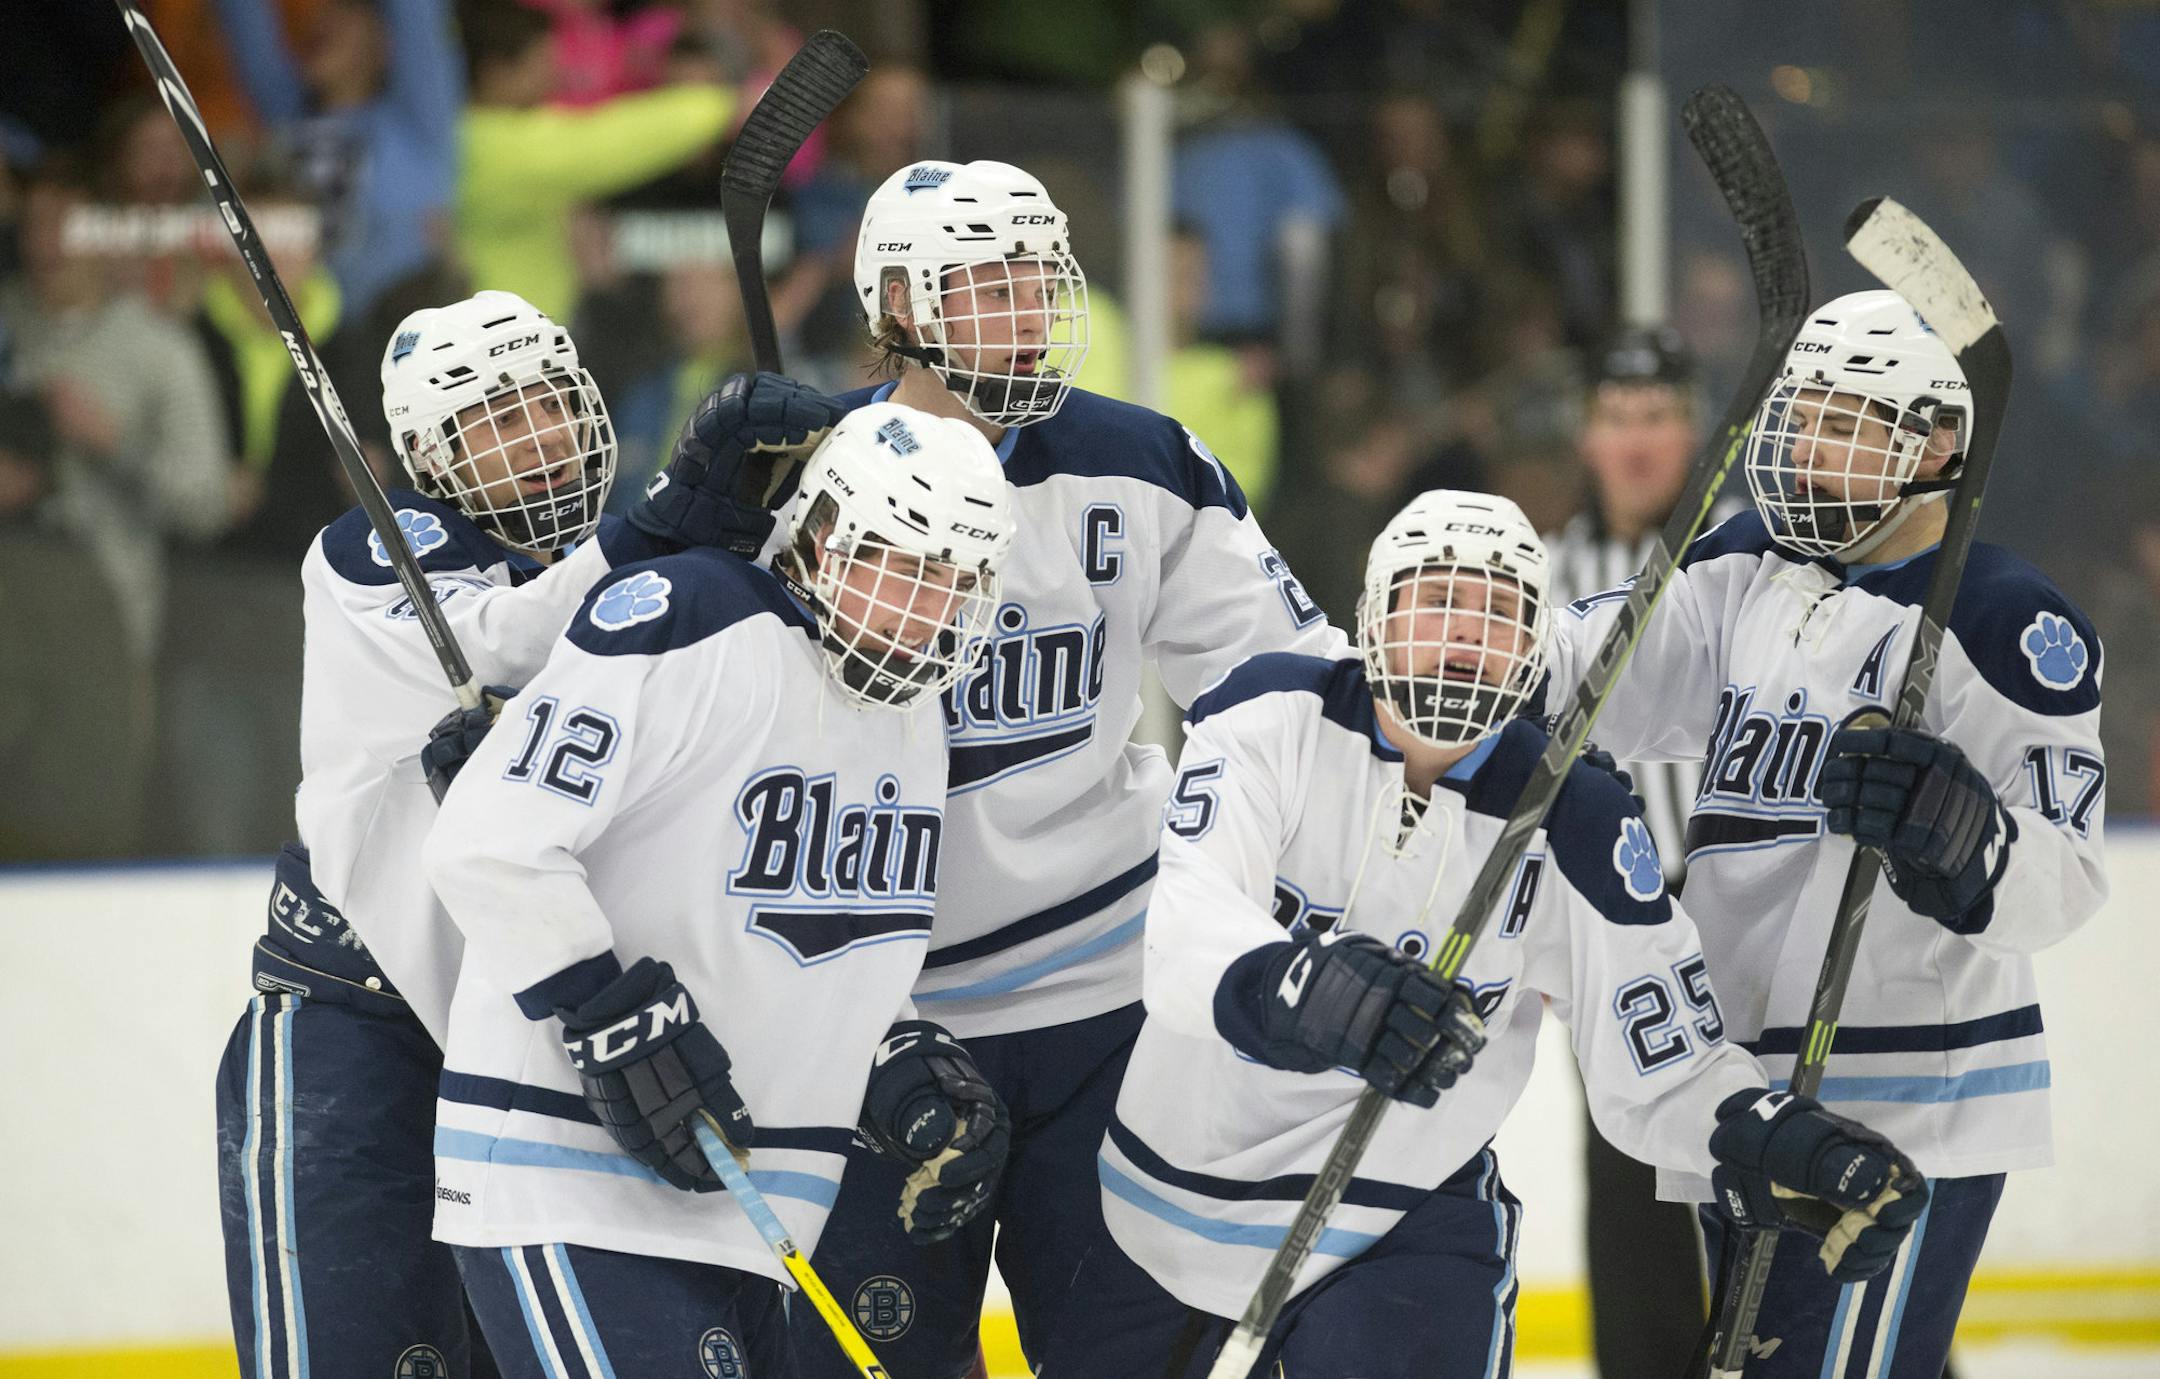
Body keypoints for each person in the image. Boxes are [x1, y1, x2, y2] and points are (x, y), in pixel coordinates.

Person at [653, 158, 1344, 1378]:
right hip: (873, 1020)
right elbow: (694, 744)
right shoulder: (797, 492)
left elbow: (1290, 688)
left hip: (1110, 1008)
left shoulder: (1142, 462)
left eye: (1040, 277)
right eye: (988, 283)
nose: (1027, 310)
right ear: (901, 308)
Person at [1034, 489, 1928, 1377]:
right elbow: (1188, 928)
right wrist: (1311, 991)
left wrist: (1770, 1137)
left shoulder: (1574, 817)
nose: (1466, 632)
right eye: (1437, 599)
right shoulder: (1271, 712)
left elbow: (1663, 1068)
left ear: (1536, 649)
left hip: (1396, 1230)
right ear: (1374, 615)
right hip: (1156, 1213)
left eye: (1501, 610)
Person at [211, 289, 838, 1377]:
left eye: (550, 402)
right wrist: (667, 516)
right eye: (497, 422)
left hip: (533, 1037)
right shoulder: (378, 550)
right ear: (423, 455)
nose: (541, 438)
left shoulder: (643, 574)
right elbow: (500, 639)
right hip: (354, 1030)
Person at [1542, 289, 2109, 1375]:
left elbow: (2067, 877)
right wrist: (1484, 647)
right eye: (1801, 418)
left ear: (1937, 446)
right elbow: (1604, 666)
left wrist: (1962, 835)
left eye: (1847, 425)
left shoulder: (2001, 619)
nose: (1809, 449)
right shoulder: (1747, 568)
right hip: (1745, 1090)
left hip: (1908, 1103)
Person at [421, 401, 1019, 1371]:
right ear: (820, 536)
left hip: (760, 1218)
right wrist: (607, 1014)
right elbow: (488, 839)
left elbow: (823, 931)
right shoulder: (692, 613)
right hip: (572, 1180)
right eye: (903, 561)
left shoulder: (915, 719)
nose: (930, 603)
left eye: (957, 575)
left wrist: (900, 1054)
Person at [1542, 325, 1735, 1379]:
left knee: (1777, 1170)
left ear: (1694, 427)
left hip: (1747, 914)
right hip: (1613, 932)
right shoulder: (1549, 575)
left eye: (1656, 415)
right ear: (1587, 432)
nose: (1636, 438)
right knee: (1629, 1181)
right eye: (1617, 415)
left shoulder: (1751, 562)